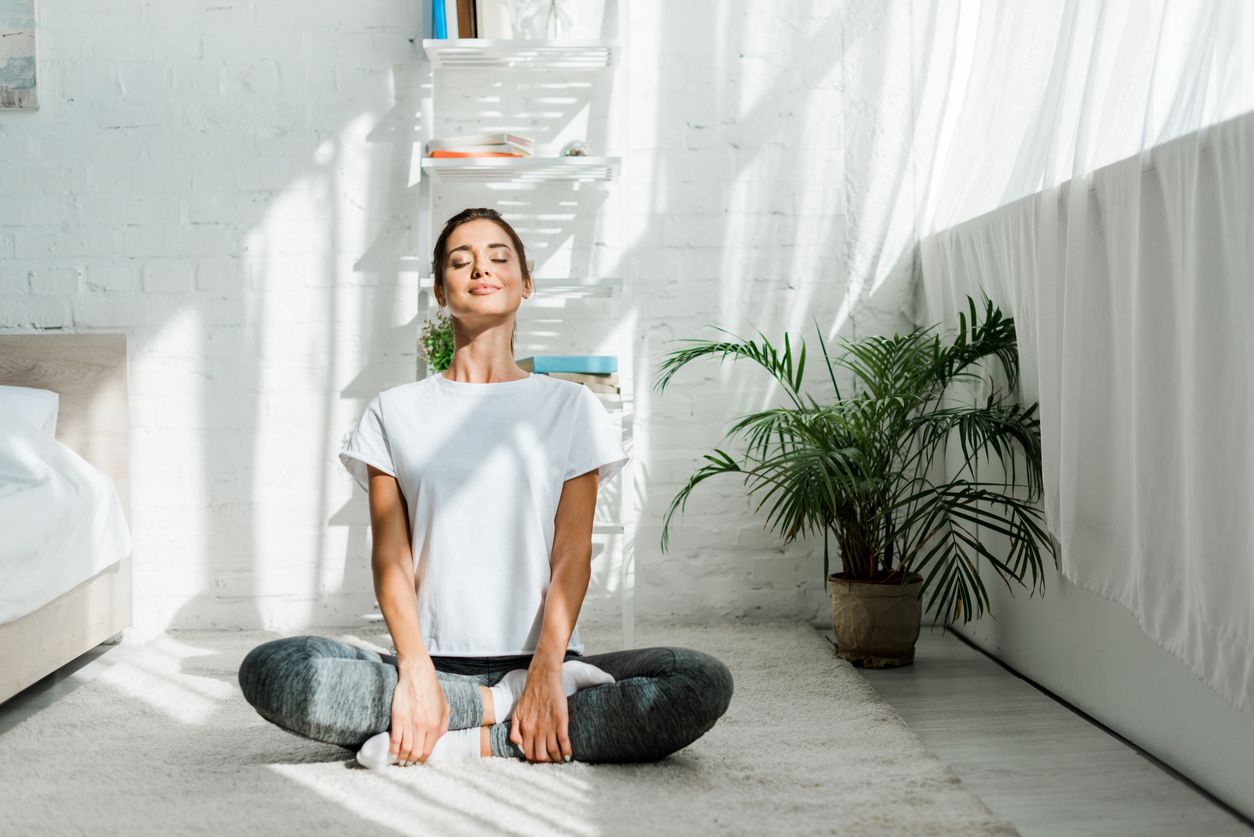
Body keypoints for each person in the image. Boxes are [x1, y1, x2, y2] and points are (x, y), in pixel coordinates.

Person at [237, 207, 734, 768]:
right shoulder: (393, 412)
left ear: (525, 284)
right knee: (274, 669)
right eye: (460, 260)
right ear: (440, 291)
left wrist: (546, 670)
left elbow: (572, 554)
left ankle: (461, 734)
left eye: (499, 257)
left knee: (698, 680)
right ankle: (502, 708)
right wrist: (416, 670)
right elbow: (390, 560)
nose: (481, 268)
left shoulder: (571, 407)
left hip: (546, 657)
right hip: (431, 660)